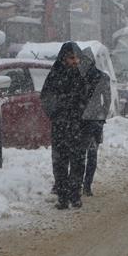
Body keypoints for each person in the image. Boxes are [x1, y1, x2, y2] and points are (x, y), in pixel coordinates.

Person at [40, 41, 88, 209]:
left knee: (78, 161)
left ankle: (75, 195)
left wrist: (84, 114)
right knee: (60, 162)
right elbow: (46, 98)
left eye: (77, 59)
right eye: (71, 58)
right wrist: (58, 111)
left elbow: (90, 99)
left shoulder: (82, 76)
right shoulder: (55, 75)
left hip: (79, 126)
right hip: (60, 127)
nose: (75, 62)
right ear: (64, 58)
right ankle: (62, 196)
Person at [79, 47, 111, 197]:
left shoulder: (77, 77)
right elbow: (107, 100)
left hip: (81, 121)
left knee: (79, 154)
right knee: (92, 154)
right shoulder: (102, 77)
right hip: (95, 121)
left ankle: (79, 184)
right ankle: (87, 185)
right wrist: (102, 116)